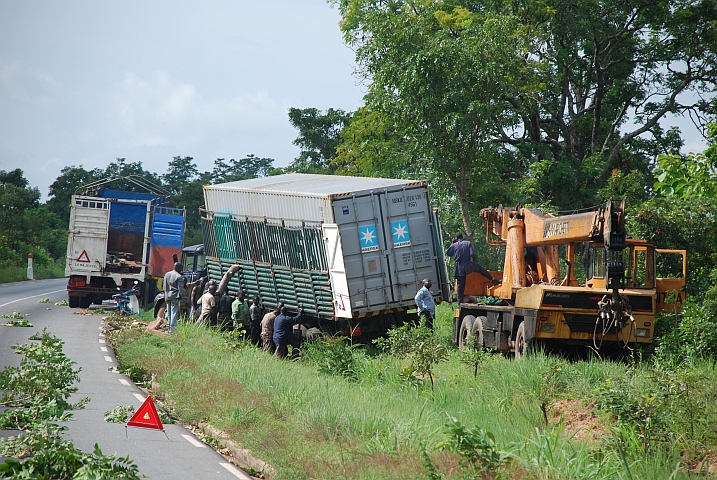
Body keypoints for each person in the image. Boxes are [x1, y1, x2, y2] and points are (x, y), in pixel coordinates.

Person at [446, 232, 500, 303]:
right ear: (462, 237)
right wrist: (473, 261)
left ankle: (459, 303)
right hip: (468, 264)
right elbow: (472, 254)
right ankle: (492, 279)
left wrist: (452, 244)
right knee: (480, 269)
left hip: (459, 267)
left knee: (460, 285)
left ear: (456, 239)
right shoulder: (468, 243)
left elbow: (448, 253)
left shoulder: (454, 245)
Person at [163, 262, 187, 333]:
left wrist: (165, 294)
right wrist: (185, 299)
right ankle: (172, 330)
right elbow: (181, 289)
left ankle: (169, 328)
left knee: (169, 313)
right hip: (174, 296)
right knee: (174, 313)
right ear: (179, 268)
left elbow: (164, 286)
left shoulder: (167, 274)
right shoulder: (179, 276)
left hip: (167, 295)